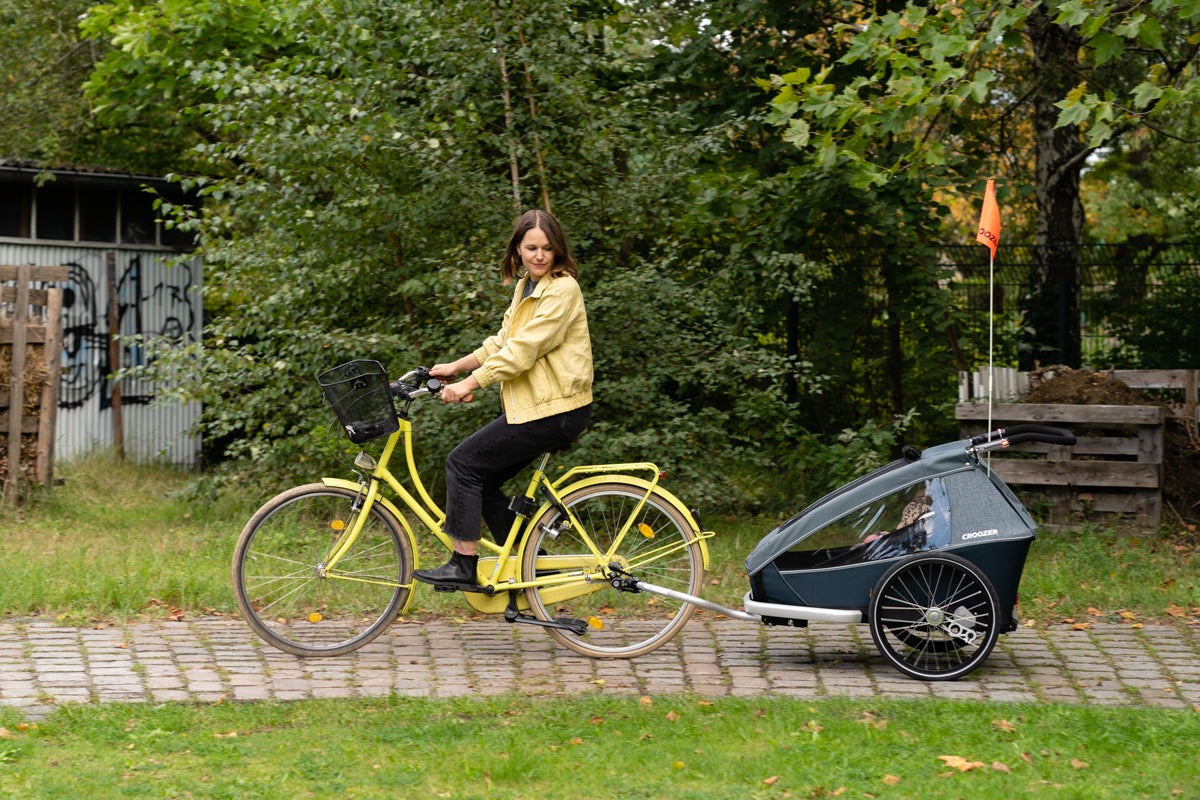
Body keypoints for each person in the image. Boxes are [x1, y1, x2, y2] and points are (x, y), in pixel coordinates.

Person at [412, 209, 594, 591]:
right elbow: (502, 341)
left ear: (558, 251)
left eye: (547, 248)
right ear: (518, 249)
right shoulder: (527, 285)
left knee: (463, 464)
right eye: (532, 248)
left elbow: (522, 351)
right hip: (541, 407)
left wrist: (471, 383)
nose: (539, 256)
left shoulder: (562, 289)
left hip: (556, 408)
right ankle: (535, 566)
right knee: (483, 481)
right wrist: (457, 367)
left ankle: (463, 564)